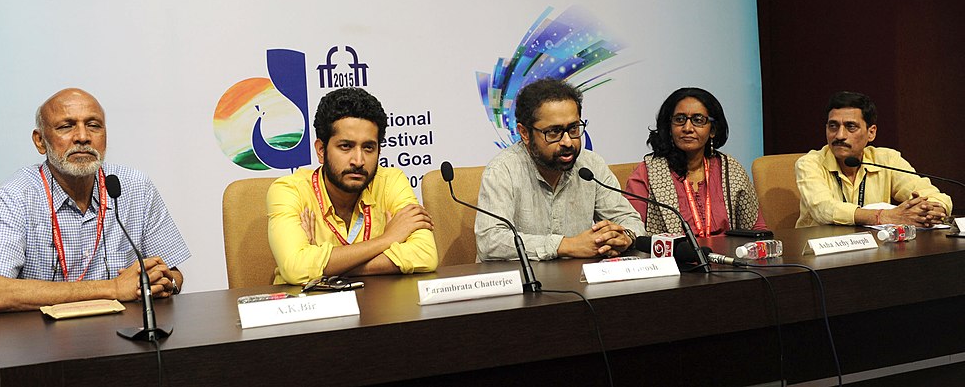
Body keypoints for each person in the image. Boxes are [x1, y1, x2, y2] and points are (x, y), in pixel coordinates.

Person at [0, 88, 190, 314]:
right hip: (41, 339)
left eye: (94, 125)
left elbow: (173, 273)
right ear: (40, 141)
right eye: (66, 126)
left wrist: (165, 283)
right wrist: (113, 288)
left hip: (123, 334)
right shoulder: (18, 194)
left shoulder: (134, 186)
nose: (83, 137)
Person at [267, 87, 437, 285]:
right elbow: (295, 268)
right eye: (346, 146)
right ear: (321, 150)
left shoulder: (391, 182)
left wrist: (325, 267)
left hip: (379, 308)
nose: (358, 160)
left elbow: (426, 255)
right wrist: (387, 239)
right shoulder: (289, 190)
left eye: (368, 148)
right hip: (307, 309)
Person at [474, 78, 644, 261]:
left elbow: (631, 221)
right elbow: (490, 242)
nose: (568, 142)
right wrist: (566, 245)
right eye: (553, 132)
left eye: (573, 129)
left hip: (577, 283)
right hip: (521, 284)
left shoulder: (591, 165)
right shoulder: (503, 170)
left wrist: (624, 237)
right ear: (525, 133)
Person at [795, 91, 952, 228]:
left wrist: (931, 211)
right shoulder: (810, 163)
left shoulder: (886, 159)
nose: (840, 135)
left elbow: (934, 196)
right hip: (820, 252)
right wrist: (884, 216)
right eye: (833, 126)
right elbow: (824, 209)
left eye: (850, 127)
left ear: (871, 132)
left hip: (874, 250)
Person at [626, 87, 766, 236]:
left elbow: (757, 230)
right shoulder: (647, 174)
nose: (687, 128)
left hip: (729, 257)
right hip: (672, 258)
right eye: (679, 120)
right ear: (669, 128)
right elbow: (634, 233)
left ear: (713, 130)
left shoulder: (731, 170)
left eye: (698, 120)